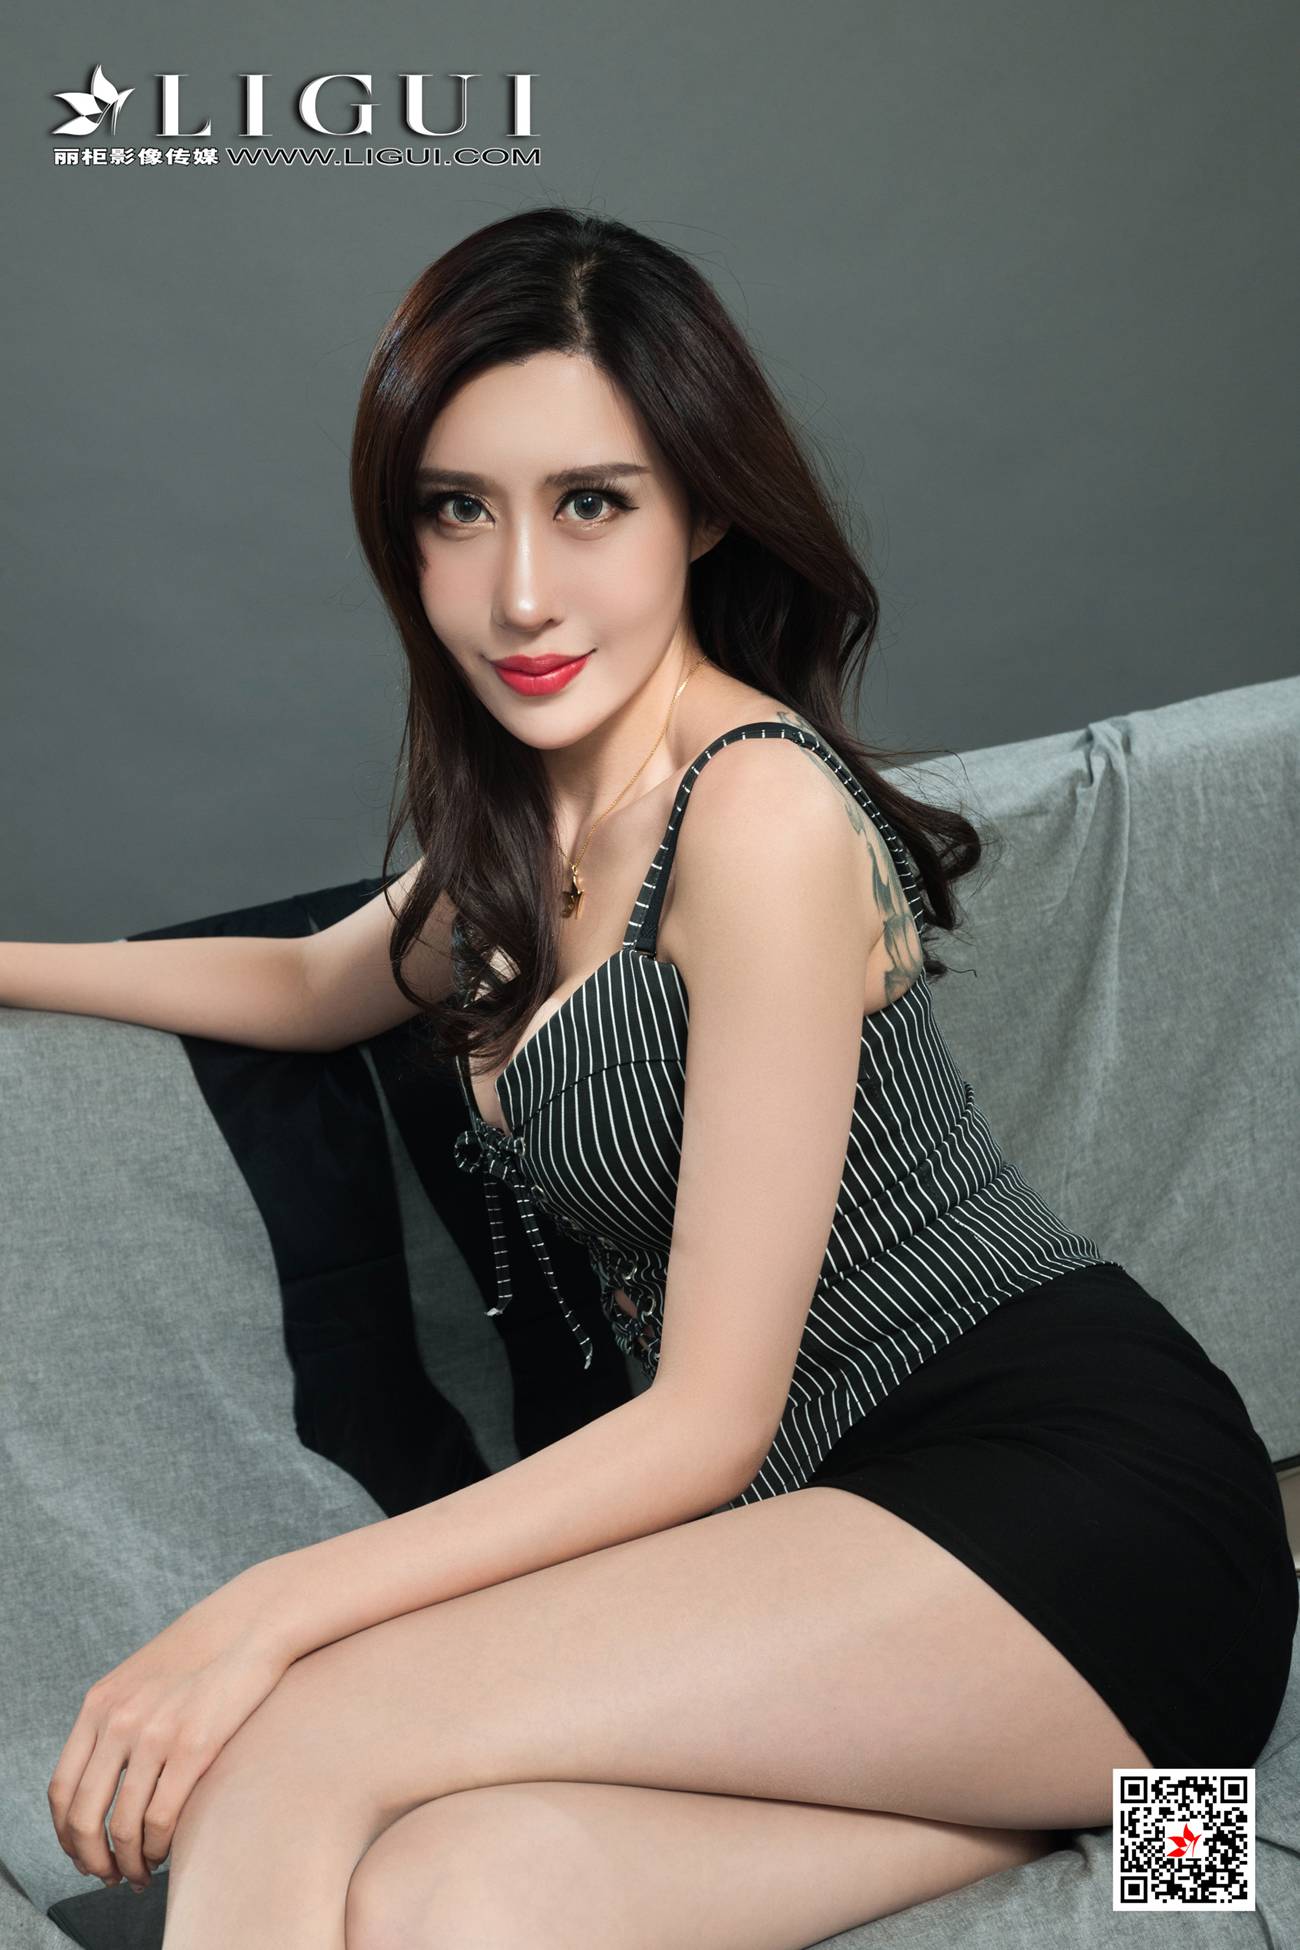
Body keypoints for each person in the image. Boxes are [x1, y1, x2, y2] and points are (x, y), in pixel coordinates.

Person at [20, 205, 1294, 1949]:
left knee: (303, 1733)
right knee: (448, 1895)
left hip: (1072, 1514)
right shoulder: (533, 818)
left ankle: (1135, 1777)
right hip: (848, 1573)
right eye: (458, 510)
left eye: (591, 504)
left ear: (702, 507)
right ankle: (1157, 1835)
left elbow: (709, 1419)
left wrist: (264, 1609)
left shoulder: (755, 811)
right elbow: (315, 980)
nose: (519, 592)